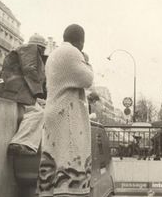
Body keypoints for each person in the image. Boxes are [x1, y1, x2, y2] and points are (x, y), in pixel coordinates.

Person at [37, 24, 94, 197]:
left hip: (55, 110)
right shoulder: (73, 52)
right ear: (81, 41)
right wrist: (87, 61)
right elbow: (87, 79)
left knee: (55, 157)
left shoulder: (55, 53)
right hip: (66, 114)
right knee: (70, 156)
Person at [0, 33, 47, 155]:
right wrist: (38, 92)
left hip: (12, 89)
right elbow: (29, 69)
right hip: (15, 91)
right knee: (37, 112)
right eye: (43, 49)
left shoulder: (22, 51)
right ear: (40, 47)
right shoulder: (30, 49)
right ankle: (21, 142)